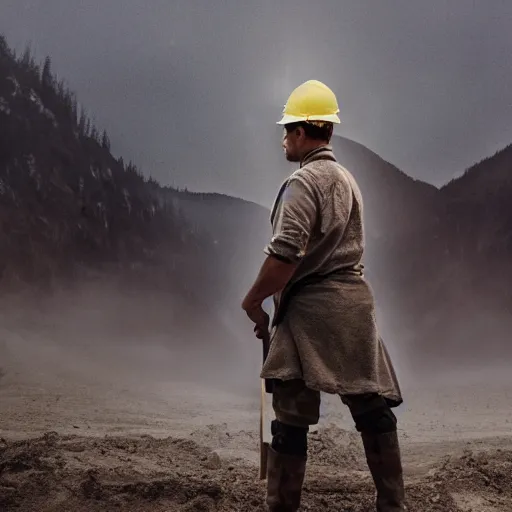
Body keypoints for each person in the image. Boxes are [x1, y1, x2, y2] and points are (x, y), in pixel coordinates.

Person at [242, 80, 406, 512]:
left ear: (301, 133)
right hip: (354, 307)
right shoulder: (348, 181)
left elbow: (285, 255)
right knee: (372, 410)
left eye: (286, 130)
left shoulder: (302, 183)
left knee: (289, 422)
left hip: (310, 313)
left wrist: (252, 300)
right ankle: (393, 505)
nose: (282, 139)